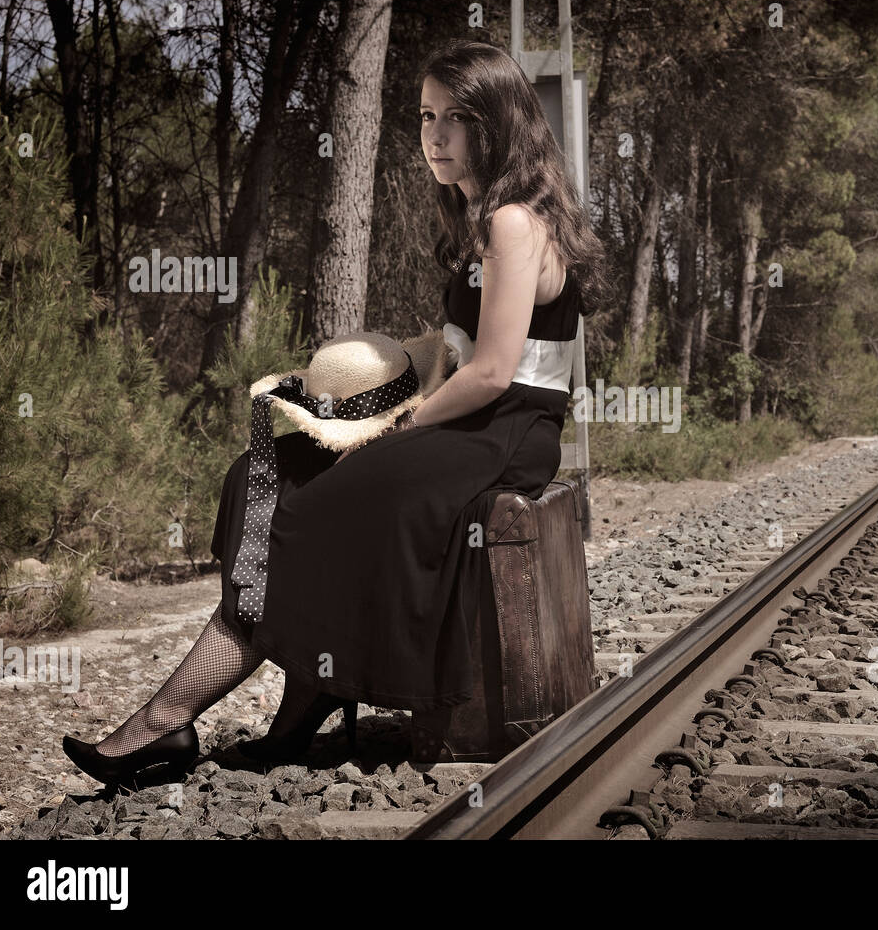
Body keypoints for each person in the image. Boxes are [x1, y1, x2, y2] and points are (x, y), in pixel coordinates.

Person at [61, 39, 610, 786]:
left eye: (456, 118)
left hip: (504, 433)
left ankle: (171, 720)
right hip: (472, 419)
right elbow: (456, 351)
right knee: (261, 473)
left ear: (499, 122)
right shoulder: (480, 215)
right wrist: (357, 396)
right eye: (424, 116)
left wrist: (398, 429)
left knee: (309, 507)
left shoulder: (514, 222)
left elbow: (488, 373)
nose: (434, 136)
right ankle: (295, 685)